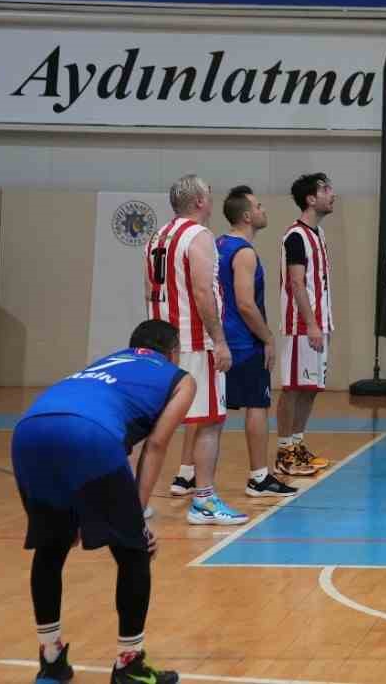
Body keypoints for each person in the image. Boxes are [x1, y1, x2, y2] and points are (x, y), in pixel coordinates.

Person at [14, 318, 195, 684]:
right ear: (173, 352)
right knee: (133, 552)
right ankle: (129, 664)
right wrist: (137, 519)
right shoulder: (180, 378)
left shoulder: (104, 362)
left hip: (29, 430)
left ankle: (51, 660)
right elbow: (156, 445)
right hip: (88, 434)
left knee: (51, 546)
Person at [146, 174, 246, 525]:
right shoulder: (198, 236)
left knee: (152, 425)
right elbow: (204, 293)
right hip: (193, 342)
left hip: (160, 343)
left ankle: (136, 498)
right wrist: (219, 341)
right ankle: (203, 500)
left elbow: (149, 292)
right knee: (209, 423)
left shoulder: (157, 237)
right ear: (201, 201)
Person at [216, 186, 301, 497]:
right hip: (243, 342)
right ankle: (259, 477)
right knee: (257, 405)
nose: (264, 209)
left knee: (213, 413)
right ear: (247, 216)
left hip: (221, 339)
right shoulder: (244, 252)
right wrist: (266, 338)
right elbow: (246, 303)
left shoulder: (218, 244)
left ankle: (186, 477)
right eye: (259, 206)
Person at [277, 173, 335, 476]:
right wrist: (311, 324)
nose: (332, 194)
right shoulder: (296, 236)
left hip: (319, 324)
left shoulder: (318, 234)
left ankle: (297, 444)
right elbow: (297, 284)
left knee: (310, 388)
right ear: (311, 199)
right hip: (302, 325)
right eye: (326, 189)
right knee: (293, 388)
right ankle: (285, 451)